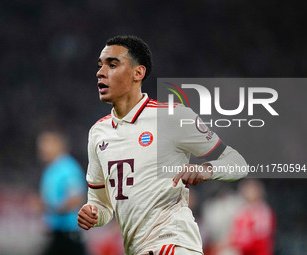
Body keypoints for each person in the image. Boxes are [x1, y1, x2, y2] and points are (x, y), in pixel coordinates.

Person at [77, 35, 248, 255]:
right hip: (138, 249)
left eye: (112, 65)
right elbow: (102, 206)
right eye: (100, 66)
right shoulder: (98, 133)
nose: (100, 72)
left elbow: (238, 163)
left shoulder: (172, 117)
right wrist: (92, 212)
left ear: (138, 73)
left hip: (175, 245)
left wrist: (207, 169)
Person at [37, 130, 88, 255]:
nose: (41, 148)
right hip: (57, 235)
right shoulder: (51, 169)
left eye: (46, 144)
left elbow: (76, 199)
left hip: (68, 236)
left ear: (58, 145)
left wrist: (51, 208)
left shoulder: (67, 168)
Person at [229, 179, 275, 255]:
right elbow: (234, 233)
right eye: (247, 189)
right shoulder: (241, 210)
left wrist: (240, 244)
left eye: (252, 190)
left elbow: (262, 239)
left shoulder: (264, 211)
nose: (249, 192)